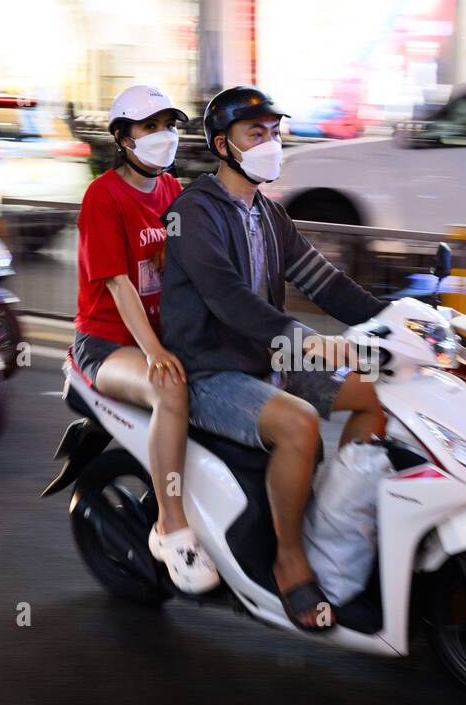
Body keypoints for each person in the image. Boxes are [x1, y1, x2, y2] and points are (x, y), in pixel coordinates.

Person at [160, 85, 386, 631]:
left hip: (269, 359)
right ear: (223, 145)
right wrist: (303, 337)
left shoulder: (268, 213)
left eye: (275, 133)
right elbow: (224, 295)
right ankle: (289, 559)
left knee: (378, 397)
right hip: (210, 371)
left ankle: (332, 526)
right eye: (255, 134)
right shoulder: (193, 211)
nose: (271, 143)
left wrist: (396, 316)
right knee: (300, 424)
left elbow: (324, 281)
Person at [73, 84, 219, 595]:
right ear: (123, 137)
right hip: (107, 344)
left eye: (170, 126)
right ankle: (170, 527)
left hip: (159, 335)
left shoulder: (170, 189)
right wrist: (156, 354)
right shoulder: (102, 196)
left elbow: (184, 267)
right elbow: (117, 286)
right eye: (150, 127)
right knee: (170, 389)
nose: (164, 137)